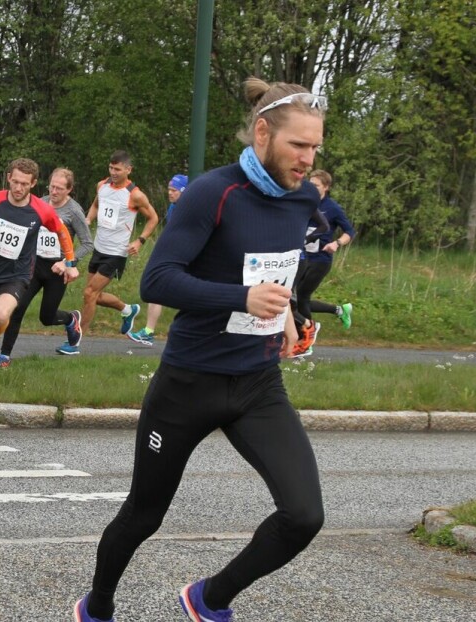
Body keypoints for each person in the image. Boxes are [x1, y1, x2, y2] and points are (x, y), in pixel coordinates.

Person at [73, 77, 326, 622]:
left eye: (314, 148)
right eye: (297, 146)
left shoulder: (305, 197)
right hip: (189, 384)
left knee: (304, 515)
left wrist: (285, 314)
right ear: (263, 132)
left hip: (258, 383)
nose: (307, 159)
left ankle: (209, 598)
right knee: (144, 515)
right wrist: (242, 297)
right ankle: (97, 607)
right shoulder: (216, 192)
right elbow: (158, 281)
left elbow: (278, 263)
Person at [0, 158, 79, 380]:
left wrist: (70, 263)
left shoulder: (41, 209)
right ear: (8, 179)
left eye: (24, 184)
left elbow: (62, 233)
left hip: (17, 274)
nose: (18, 188)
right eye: (15, 182)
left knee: (0, 314)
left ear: (33, 184)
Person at [58, 150, 158, 355]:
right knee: (94, 295)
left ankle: (76, 341)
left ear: (128, 170)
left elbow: (153, 219)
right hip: (99, 248)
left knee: (88, 293)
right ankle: (128, 310)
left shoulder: (135, 195)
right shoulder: (101, 185)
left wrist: (139, 241)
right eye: (111, 168)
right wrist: (88, 220)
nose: (113, 172)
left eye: (117, 169)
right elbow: (96, 204)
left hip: (117, 253)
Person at [0, 167, 93, 365]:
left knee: (46, 317)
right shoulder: (39, 203)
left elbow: (87, 244)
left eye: (60, 188)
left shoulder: (74, 211)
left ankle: (70, 319)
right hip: (33, 265)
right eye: (52, 186)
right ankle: (5, 355)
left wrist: (68, 262)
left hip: (57, 269)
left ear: (69, 190)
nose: (54, 191)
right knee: (17, 308)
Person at [290, 169, 356, 356]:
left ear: (326, 188)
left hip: (320, 259)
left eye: (316, 185)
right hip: (302, 256)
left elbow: (350, 231)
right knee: (296, 299)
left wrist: (337, 243)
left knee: (301, 296)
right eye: (309, 184)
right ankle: (338, 311)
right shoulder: (305, 202)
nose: (311, 188)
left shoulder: (332, 208)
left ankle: (306, 340)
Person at [128, 174, 187, 346]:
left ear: (184, 191)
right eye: (169, 189)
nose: (170, 193)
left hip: (186, 259)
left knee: (189, 295)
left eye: (174, 190)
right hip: (173, 256)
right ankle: (148, 331)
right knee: (157, 288)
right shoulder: (172, 207)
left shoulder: (190, 208)